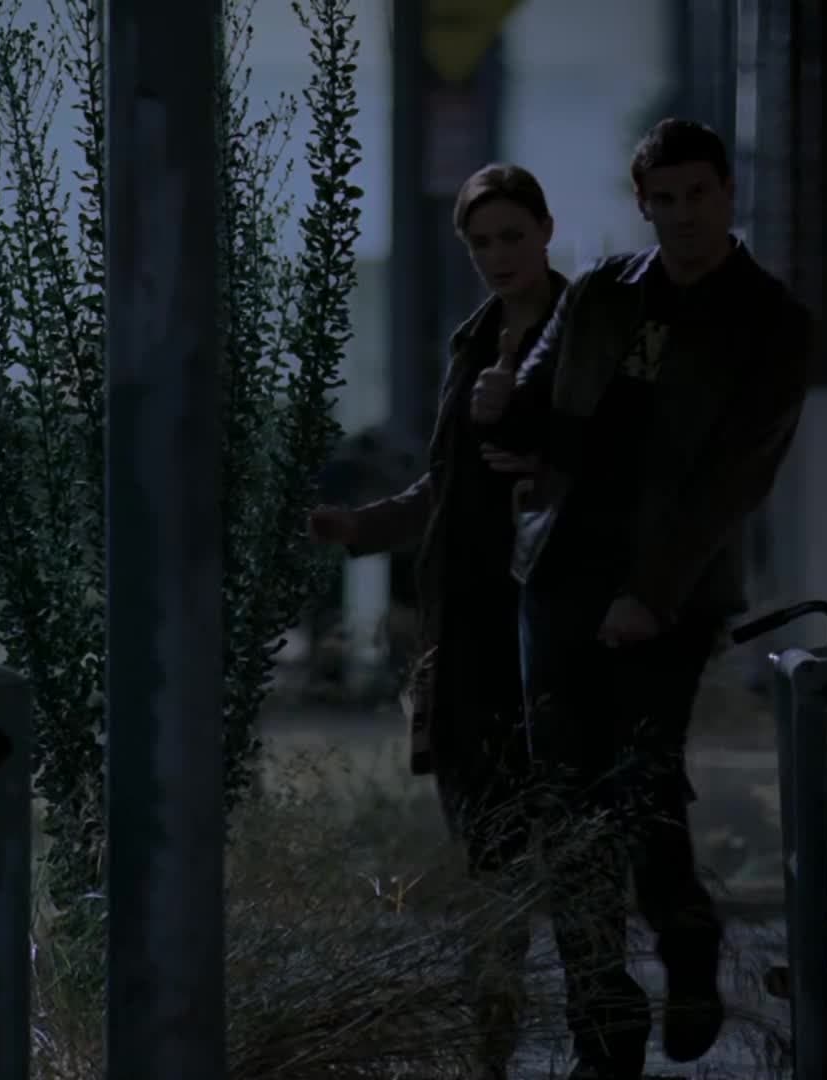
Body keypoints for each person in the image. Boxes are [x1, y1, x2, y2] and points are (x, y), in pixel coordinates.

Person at [471, 118, 813, 1079]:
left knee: (641, 784)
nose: (684, 215)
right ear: (644, 205)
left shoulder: (770, 320)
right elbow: (538, 408)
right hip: (561, 569)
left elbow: (734, 480)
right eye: (665, 199)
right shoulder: (603, 293)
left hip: (673, 586)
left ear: (727, 193)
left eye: (698, 194)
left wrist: (651, 595)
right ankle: (602, 1025)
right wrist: (502, 408)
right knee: (563, 802)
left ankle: (686, 937)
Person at [306, 162, 565, 1080]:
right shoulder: (476, 338)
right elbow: (449, 484)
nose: (499, 256)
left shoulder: (581, 336)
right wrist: (363, 527)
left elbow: (608, 462)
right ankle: (492, 1025)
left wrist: (535, 441)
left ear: (545, 231)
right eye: (481, 242)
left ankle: (581, 1029)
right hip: (466, 623)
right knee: (483, 841)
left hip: (546, 619)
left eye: (512, 236)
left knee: (561, 837)